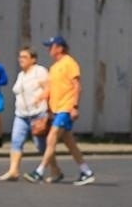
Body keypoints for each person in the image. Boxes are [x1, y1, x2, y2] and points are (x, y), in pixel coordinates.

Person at [28, 36, 94, 186]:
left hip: (66, 107)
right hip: (57, 110)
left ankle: (39, 172)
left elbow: (77, 86)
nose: (49, 49)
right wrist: (43, 101)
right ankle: (86, 171)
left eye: (51, 46)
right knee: (70, 143)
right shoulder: (54, 67)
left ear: (60, 48)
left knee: (51, 138)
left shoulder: (70, 63)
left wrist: (75, 107)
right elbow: (53, 89)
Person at [0, 46, 48, 182]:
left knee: (41, 145)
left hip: (37, 114)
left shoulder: (40, 71)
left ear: (33, 59)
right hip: (21, 115)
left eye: (25, 57)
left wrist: (42, 102)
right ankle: (13, 171)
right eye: (20, 57)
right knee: (16, 141)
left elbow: (48, 89)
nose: (21, 59)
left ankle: (55, 169)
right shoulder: (21, 75)